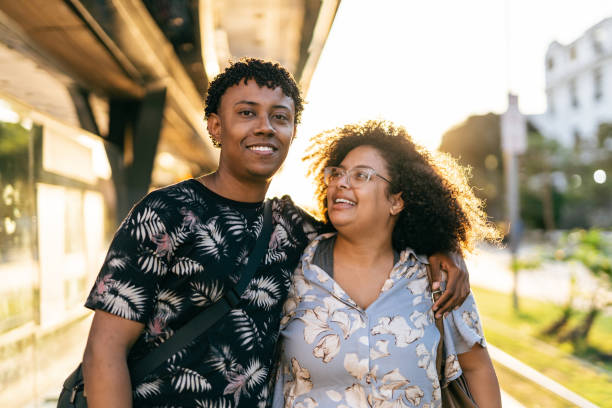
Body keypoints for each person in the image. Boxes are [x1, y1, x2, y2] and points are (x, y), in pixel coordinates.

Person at [81, 59, 471, 407]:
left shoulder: (293, 227)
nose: (265, 127)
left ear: (292, 130)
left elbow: (374, 230)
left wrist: (444, 247)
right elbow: (105, 349)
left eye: (280, 117)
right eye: (247, 113)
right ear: (216, 126)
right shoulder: (163, 213)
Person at [274, 121, 502, 407]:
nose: (341, 182)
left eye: (361, 175)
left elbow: (476, 367)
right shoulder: (292, 267)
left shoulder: (436, 278)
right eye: (337, 173)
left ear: (396, 202)